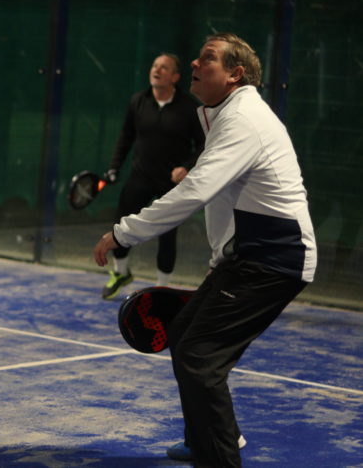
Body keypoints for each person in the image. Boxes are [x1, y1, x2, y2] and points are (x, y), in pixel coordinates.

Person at [93, 32, 316, 467]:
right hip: (250, 254)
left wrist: (123, 233)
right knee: (183, 336)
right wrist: (220, 262)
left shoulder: (243, 118)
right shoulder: (222, 115)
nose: (195, 63)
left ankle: (219, 454)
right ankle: (205, 439)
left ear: (235, 74)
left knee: (199, 355)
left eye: (207, 59)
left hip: (275, 259)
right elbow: (224, 200)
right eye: (196, 58)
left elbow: (195, 192)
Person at [102, 53, 205, 299]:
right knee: (121, 225)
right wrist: (114, 166)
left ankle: (161, 289)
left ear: (175, 77)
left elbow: (203, 145)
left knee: (167, 235)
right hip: (141, 176)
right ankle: (120, 272)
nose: (157, 70)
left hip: (172, 183)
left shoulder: (190, 108)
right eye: (154, 65)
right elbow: (126, 137)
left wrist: (186, 167)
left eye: (164, 67)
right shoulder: (138, 101)